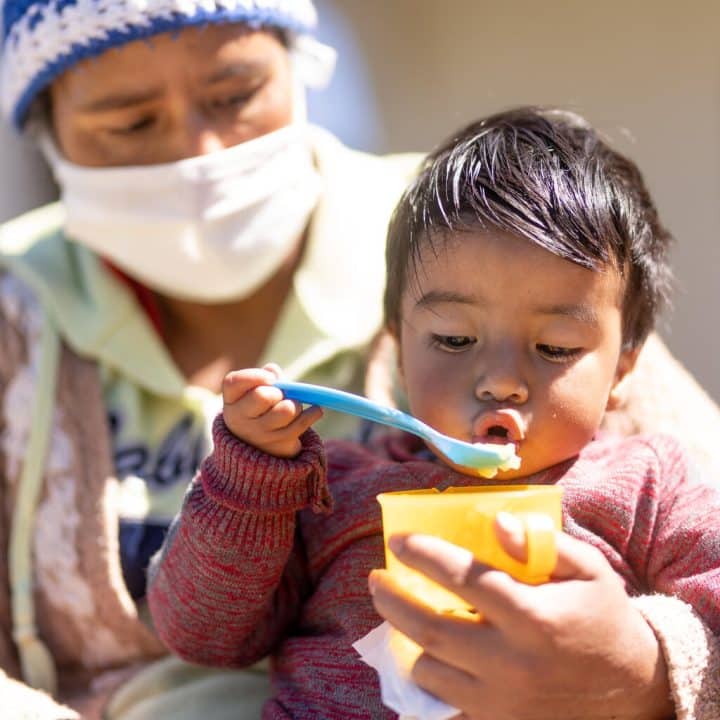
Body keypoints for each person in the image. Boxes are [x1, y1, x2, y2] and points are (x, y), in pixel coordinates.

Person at [147, 107, 720, 719]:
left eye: (554, 348)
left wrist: (641, 665)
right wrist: (247, 481)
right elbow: (202, 634)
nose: (501, 381)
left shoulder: (648, 486)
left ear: (622, 372)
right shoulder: (330, 490)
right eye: (452, 339)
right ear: (397, 345)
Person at [0, 1, 424, 717]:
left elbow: (671, 505)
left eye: (235, 97)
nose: (200, 155)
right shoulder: (16, 311)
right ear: (47, 135)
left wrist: (631, 662)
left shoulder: (462, 237)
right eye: (131, 123)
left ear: (301, 66)